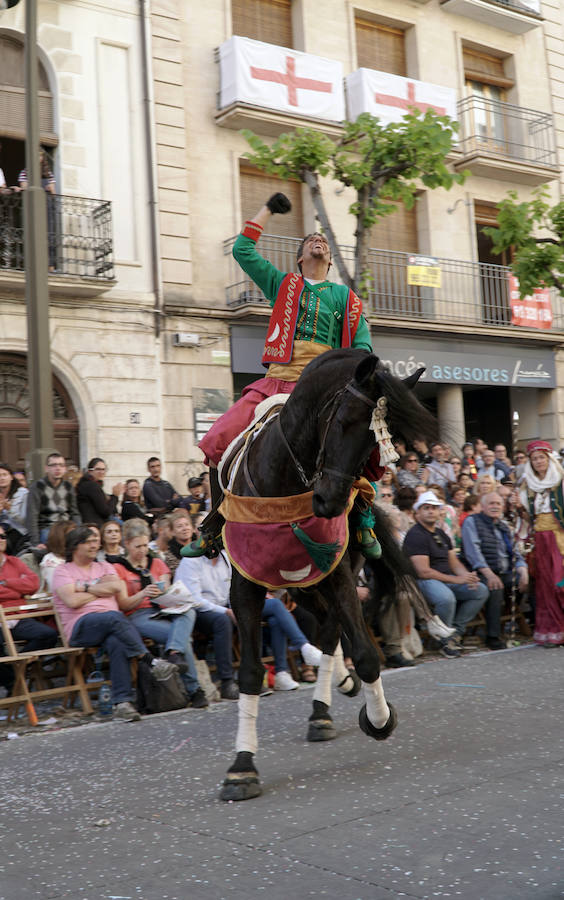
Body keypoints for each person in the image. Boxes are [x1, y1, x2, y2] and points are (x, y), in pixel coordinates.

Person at [187, 192, 383, 559]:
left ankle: (362, 518)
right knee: (216, 442)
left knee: (361, 443)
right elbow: (243, 251)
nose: (318, 241)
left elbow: (363, 349)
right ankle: (213, 525)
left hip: (326, 387)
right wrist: (267, 210)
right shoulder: (282, 285)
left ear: (328, 259)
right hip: (277, 381)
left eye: (322, 240)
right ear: (300, 258)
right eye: (310, 241)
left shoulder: (347, 298)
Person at [52, 526, 180, 721]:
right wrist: (99, 589)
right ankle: (151, 661)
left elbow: (114, 587)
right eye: (89, 542)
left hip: (111, 624)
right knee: (114, 617)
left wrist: (83, 587)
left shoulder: (104, 566)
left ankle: (122, 703)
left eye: (96, 541)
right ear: (75, 546)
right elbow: (72, 601)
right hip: (81, 626)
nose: (95, 545)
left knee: (117, 642)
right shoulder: (62, 571)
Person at [113, 519, 207, 708]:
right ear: (127, 544)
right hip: (137, 614)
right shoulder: (119, 567)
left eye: (146, 545)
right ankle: (194, 689)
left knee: (189, 612)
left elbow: (167, 588)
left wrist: (167, 593)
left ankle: (175, 655)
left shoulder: (155, 562)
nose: (142, 550)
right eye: (137, 546)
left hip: (163, 609)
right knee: (183, 640)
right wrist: (142, 593)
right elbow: (123, 604)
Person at [403, 491, 488, 657]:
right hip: (424, 582)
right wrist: (457, 579)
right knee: (446, 597)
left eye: (434, 508)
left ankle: (454, 633)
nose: (430, 511)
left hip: (445, 579)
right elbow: (423, 571)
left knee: (480, 590)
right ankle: (445, 640)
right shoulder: (415, 535)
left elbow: (453, 562)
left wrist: (467, 576)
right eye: (426, 508)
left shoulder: (441, 533)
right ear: (417, 513)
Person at [461, 492, 529, 650]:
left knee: (532, 581)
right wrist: (490, 575)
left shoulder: (504, 526)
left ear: (503, 507)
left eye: (498, 504)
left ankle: (538, 625)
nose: (495, 507)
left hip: (504, 571)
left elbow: (516, 554)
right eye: (491, 503)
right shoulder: (472, 522)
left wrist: (523, 572)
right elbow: (473, 553)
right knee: (495, 587)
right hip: (481, 572)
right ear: (482, 506)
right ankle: (493, 636)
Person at [517, 440, 564, 647]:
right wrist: (519, 509)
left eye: (541, 458)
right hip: (540, 540)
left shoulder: (561, 481)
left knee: (560, 584)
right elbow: (529, 518)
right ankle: (554, 631)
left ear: (549, 458)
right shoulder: (528, 486)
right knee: (545, 587)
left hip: (560, 538)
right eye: (534, 459)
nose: (538, 462)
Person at [175, 550, 239, 700]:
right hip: (194, 611)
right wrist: (226, 611)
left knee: (248, 617)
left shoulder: (226, 557)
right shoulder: (192, 560)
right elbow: (195, 599)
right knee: (222, 621)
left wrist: (236, 609)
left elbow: (232, 589)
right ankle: (227, 681)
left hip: (221, 606)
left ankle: (250, 675)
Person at [0, 526, 53, 694]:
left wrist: (6, 583)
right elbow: (25, 587)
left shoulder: (14, 562)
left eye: (2, 536)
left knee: (48, 635)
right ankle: (11, 682)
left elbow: (33, 584)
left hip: (18, 616)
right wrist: (17, 588)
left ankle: (16, 670)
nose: (1, 539)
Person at [261, 591, 322, 690]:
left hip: (274, 601)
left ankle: (281, 673)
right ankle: (304, 646)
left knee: (275, 621)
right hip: (244, 603)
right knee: (276, 603)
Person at [26, 452, 80, 546]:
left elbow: (74, 512)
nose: (58, 468)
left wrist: (79, 531)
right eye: (53, 465)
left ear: (65, 469)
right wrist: (35, 542)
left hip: (66, 528)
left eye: (61, 465)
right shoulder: (37, 487)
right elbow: (32, 517)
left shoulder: (68, 487)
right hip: (48, 528)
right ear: (46, 468)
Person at [76, 458, 124, 527]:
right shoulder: (92, 486)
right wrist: (115, 496)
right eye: (98, 469)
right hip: (95, 525)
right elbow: (105, 512)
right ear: (90, 471)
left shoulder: (86, 484)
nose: (101, 472)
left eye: (103, 469)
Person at [0, 461, 29, 555]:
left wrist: (10, 510)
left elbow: (26, 521)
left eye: (5, 474)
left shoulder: (23, 494)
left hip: (18, 532)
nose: (2, 478)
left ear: (11, 477)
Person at [39, 521, 76, 593]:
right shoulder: (51, 560)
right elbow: (57, 588)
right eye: (72, 535)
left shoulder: (77, 557)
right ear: (60, 538)